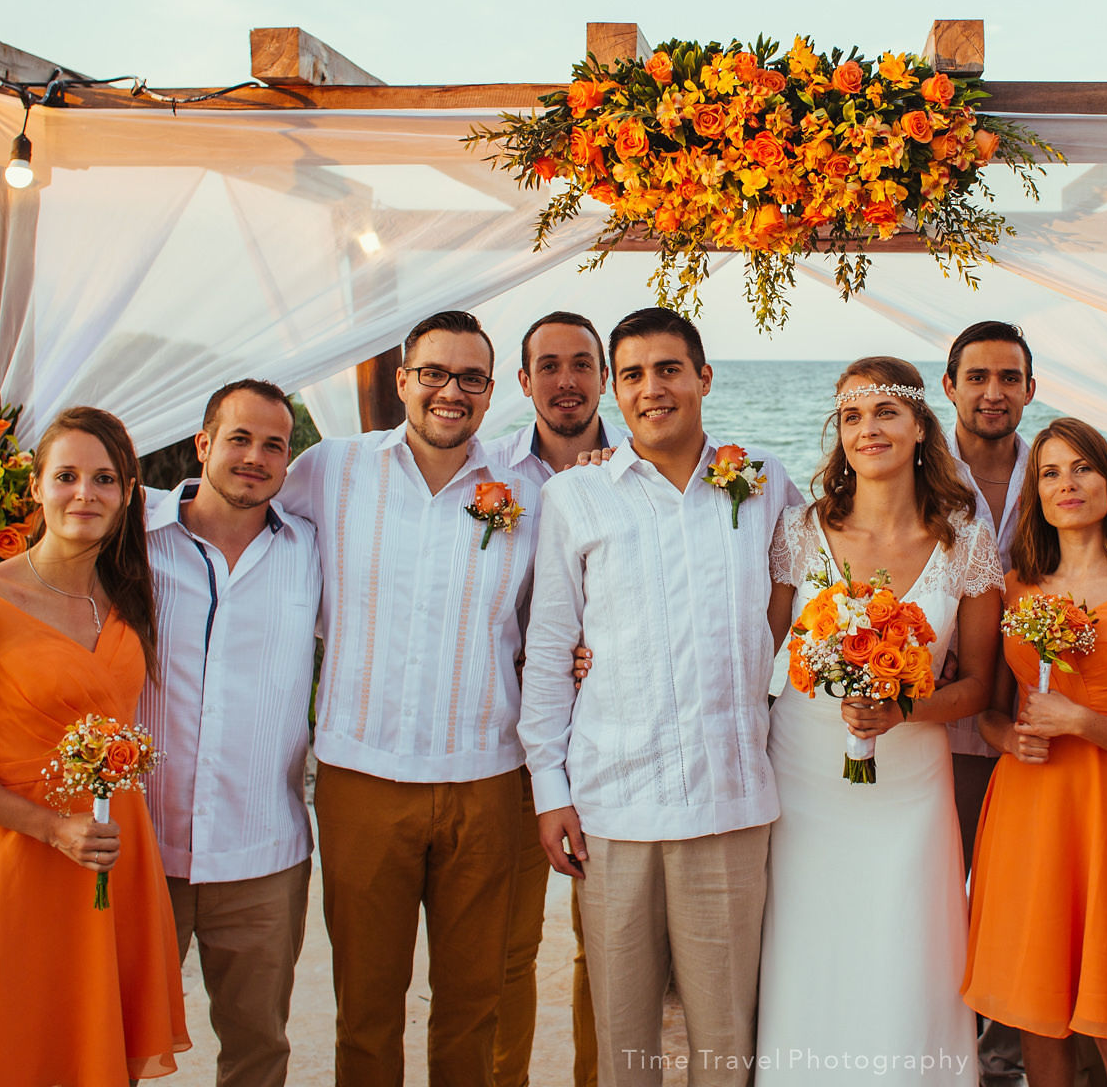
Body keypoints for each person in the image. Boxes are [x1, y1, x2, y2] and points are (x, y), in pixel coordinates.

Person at [519, 306, 799, 1087]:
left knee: (725, 1037)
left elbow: (813, 595)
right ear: (617, 386)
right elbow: (549, 648)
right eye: (634, 374)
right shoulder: (578, 497)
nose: (652, 389)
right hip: (612, 802)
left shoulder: (767, 480)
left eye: (669, 369)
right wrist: (550, 788)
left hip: (730, 800)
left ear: (704, 378)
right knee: (625, 1040)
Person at [0, 406, 188, 1086]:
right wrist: (53, 827)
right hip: (20, 860)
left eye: (105, 478)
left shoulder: (129, 599)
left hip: (117, 854)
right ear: (37, 490)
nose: (86, 493)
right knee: (7, 1052)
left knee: (97, 1056)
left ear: (128, 494)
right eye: (68, 476)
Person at [278, 310, 535, 1087]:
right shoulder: (331, 469)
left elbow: (559, 621)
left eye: (470, 378)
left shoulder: (528, 491)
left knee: (472, 1002)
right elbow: (236, 519)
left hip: (488, 782)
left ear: (491, 394)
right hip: (362, 779)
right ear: (402, 381)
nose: (450, 392)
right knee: (366, 1006)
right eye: (434, 374)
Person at [756, 357, 1002, 1085]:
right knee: (810, 941)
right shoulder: (802, 530)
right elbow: (753, 648)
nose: (870, 429)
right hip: (803, 772)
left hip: (911, 780)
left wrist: (905, 710)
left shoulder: (965, 541)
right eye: (854, 416)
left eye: (886, 412)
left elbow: (981, 686)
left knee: (907, 942)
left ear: (921, 427)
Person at [964, 418, 1107, 1087]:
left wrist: (1081, 721)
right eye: (1050, 472)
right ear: (1036, 492)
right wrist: (1008, 737)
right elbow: (989, 711)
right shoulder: (1015, 589)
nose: (1068, 483)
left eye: (1083, 468)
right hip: (1028, 810)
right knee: (1038, 1020)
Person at [140, 379, 320, 1087]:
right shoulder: (130, 538)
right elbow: (43, 625)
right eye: (239, 439)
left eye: (273, 445)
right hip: (141, 847)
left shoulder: (312, 550)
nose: (255, 456)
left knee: (257, 1048)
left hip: (263, 850)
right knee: (114, 1039)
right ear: (203, 444)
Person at [484, 312, 611, 1087]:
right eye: (549, 365)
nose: (567, 380)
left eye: (583, 364)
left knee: (606, 942)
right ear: (523, 381)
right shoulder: (487, 477)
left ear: (604, 376)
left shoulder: (641, 468)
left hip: (603, 736)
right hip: (505, 736)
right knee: (506, 944)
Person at [939, 322, 1037, 1087]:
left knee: (1025, 898)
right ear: (950, 389)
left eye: (1009, 378)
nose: (993, 392)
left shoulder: (1058, 471)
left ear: (1031, 390)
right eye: (978, 378)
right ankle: (943, 1042)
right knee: (942, 889)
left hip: (1037, 730)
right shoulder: (917, 471)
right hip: (942, 730)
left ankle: (1012, 1053)